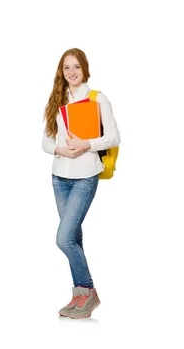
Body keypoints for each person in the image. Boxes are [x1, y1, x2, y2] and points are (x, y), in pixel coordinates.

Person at [42, 48, 121, 319]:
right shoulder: (58, 100)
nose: (71, 72)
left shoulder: (97, 99)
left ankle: (88, 291)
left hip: (85, 176)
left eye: (76, 67)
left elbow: (114, 137)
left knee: (63, 238)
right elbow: (45, 141)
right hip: (59, 176)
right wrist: (60, 150)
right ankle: (79, 296)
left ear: (85, 68)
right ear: (61, 72)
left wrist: (86, 144)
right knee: (72, 237)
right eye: (66, 68)